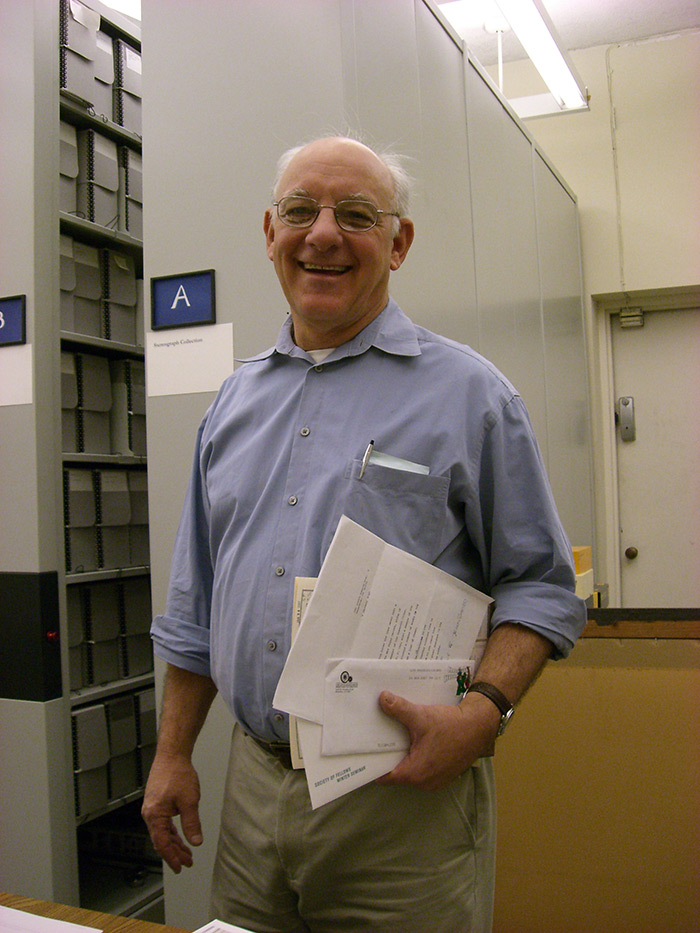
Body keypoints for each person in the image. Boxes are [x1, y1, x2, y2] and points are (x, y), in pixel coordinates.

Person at [142, 135, 587, 933]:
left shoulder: (470, 394)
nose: (322, 234)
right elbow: (196, 602)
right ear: (269, 232)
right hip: (252, 791)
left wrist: (484, 712)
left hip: (399, 800)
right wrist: (175, 752)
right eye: (299, 212)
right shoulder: (234, 402)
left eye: (355, 215)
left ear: (398, 242)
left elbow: (541, 587)